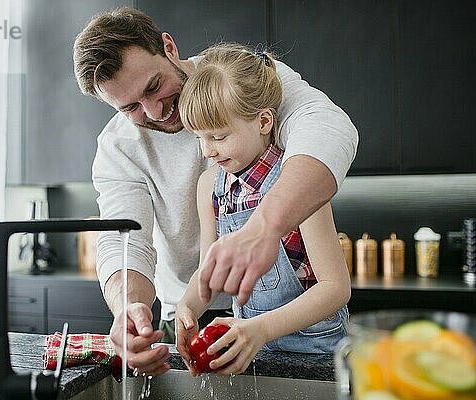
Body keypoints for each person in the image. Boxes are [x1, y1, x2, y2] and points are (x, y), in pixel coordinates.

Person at [72, 7, 357, 377]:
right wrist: (129, 308)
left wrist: (264, 228)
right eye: (130, 107)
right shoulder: (120, 149)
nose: (155, 112)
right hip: (199, 321)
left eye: (154, 86)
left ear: (168, 48)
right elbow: (126, 241)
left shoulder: (240, 76)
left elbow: (328, 127)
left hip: (307, 340)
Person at [174, 43, 351, 376]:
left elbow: (335, 289)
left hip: (317, 353)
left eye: (219, 136)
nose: (208, 150)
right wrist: (188, 304)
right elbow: (208, 272)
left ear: (264, 121)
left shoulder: (298, 181)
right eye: (199, 138)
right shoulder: (209, 186)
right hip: (250, 351)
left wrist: (260, 329)